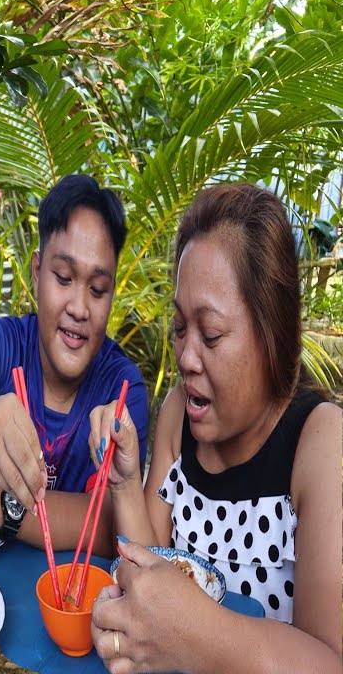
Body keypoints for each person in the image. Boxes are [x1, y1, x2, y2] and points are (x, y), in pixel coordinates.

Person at [88, 184, 342, 673]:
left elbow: (328, 662)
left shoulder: (319, 443)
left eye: (211, 334)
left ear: (274, 333)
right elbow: (150, 561)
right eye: (181, 328)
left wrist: (193, 630)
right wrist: (122, 482)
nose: (185, 358)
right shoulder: (177, 416)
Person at [0, 175, 148, 553]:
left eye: (98, 290)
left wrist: (5, 504)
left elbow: (110, 523)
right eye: (63, 278)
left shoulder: (121, 388)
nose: (79, 308)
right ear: (36, 272)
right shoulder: (5, 345)